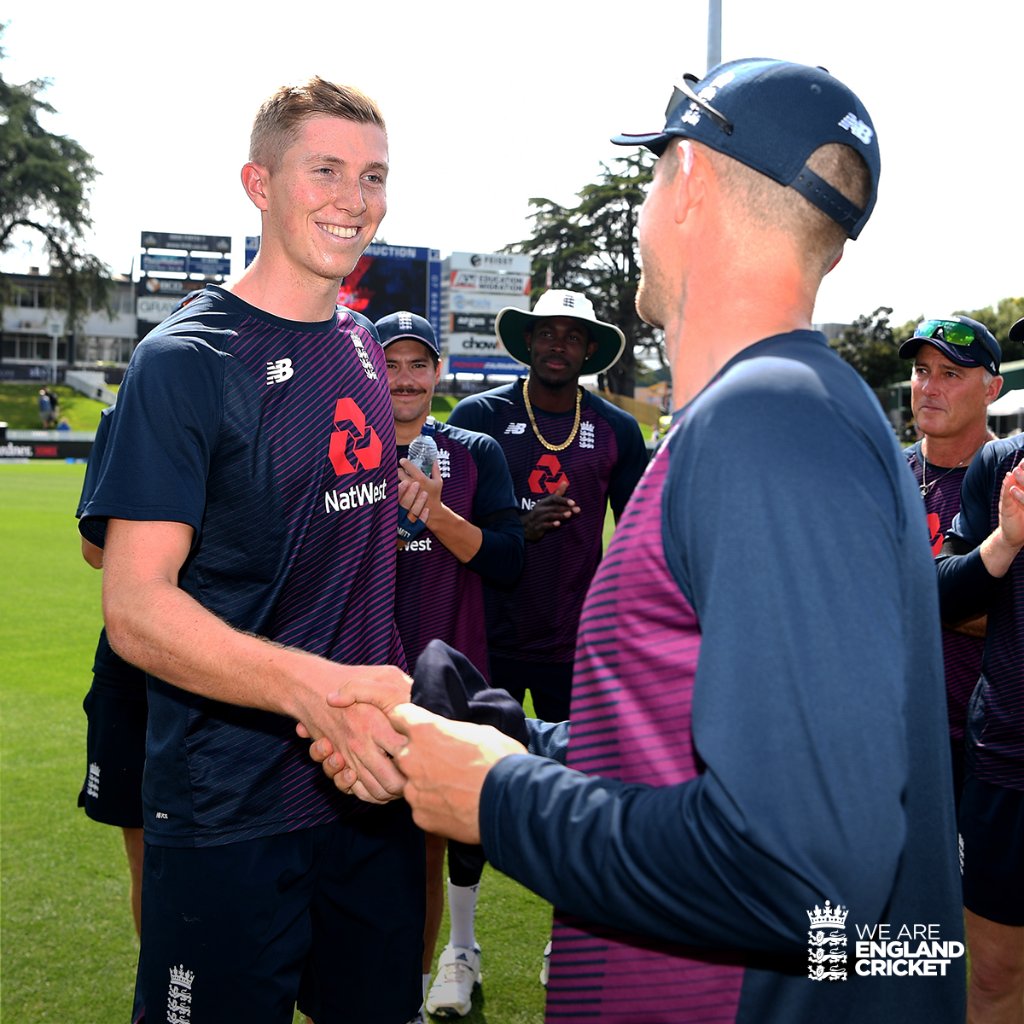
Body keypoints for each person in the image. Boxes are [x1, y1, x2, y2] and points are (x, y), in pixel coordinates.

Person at [327, 58, 967, 1021]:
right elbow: (713, 754)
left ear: (693, 183)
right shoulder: (781, 414)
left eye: (653, 170)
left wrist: (500, 799)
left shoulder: (775, 425)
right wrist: (521, 740)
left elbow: (809, 877)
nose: (641, 210)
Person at [77, 77, 423, 1024]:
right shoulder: (188, 362)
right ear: (258, 184)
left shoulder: (359, 343)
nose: (355, 200)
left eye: (374, 176)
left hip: (366, 791)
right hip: (231, 807)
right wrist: (315, 693)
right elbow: (137, 606)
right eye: (326, 170)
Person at [376, 310, 524, 1021]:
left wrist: (434, 514)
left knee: (435, 841)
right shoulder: (340, 443)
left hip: (445, 669)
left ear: (438, 372)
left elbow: (507, 560)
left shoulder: (474, 453)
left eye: (417, 364)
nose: (404, 379)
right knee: (363, 851)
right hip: (362, 676)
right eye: (391, 362)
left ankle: (442, 967)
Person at [447, 288, 648, 723]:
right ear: (529, 342)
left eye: (573, 337)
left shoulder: (619, 429)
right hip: (484, 632)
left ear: (590, 349)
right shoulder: (479, 416)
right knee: (478, 767)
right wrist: (518, 529)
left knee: (572, 771)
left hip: (574, 640)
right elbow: (446, 525)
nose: (558, 345)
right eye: (547, 333)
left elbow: (637, 541)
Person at [936, 420, 1024, 1023]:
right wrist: (1006, 541)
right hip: (1005, 760)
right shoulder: (1001, 463)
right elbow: (942, 596)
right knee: (992, 976)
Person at [899, 314, 1003, 806]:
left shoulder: (1010, 483)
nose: (929, 387)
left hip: (981, 742)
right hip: (886, 729)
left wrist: (911, 594)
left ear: (992, 389)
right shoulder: (884, 470)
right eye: (922, 370)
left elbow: (1010, 614)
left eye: (951, 374)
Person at [77, 406, 148, 942]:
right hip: (134, 658)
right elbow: (94, 551)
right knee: (144, 847)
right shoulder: (122, 417)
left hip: (231, 659)